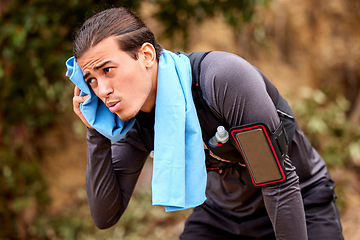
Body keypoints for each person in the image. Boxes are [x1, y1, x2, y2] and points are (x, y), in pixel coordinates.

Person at [66, 7, 344, 240]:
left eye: (108, 70)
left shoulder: (222, 82)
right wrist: (97, 132)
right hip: (222, 215)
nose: (101, 90)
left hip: (299, 202)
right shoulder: (135, 122)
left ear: (147, 56)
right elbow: (106, 215)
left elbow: (277, 184)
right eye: (91, 79)